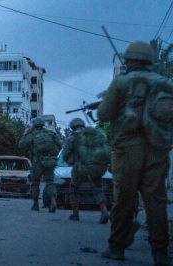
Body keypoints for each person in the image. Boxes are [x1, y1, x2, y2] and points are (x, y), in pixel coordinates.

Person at [98, 41, 170, 265]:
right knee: (156, 200)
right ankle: (160, 253)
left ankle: (117, 247)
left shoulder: (121, 82)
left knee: (124, 199)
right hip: (158, 147)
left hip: (128, 148)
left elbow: (104, 114)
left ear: (129, 60)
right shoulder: (166, 84)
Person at [62, 118, 110, 223]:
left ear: (73, 127)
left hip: (79, 168)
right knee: (97, 188)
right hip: (94, 166)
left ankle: (75, 213)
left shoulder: (72, 138)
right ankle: (104, 210)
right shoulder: (92, 136)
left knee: (74, 188)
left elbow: (65, 154)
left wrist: (72, 161)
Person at [19, 117, 62, 212]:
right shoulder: (51, 133)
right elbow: (60, 144)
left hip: (37, 162)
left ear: (34, 125)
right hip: (50, 161)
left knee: (35, 182)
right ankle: (53, 201)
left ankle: (35, 204)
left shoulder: (32, 134)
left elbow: (22, 145)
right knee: (50, 182)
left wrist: (24, 134)